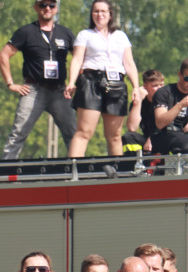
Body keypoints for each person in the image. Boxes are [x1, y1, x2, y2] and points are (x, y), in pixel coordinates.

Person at [0, 0, 76, 159]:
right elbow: (3, 55)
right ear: (36, 8)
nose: (47, 8)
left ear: (56, 9)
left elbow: (80, 59)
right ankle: (5, 172)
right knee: (18, 133)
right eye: (43, 5)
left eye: (51, 5)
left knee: (73, 134)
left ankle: (79, 171)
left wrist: (75, 83)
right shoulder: (26, 31)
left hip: (60, 91)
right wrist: (11, 84)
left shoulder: (65, 33)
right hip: (33, 90)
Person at [64, 0, 139, 157]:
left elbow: (129, 63)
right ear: (92, 14)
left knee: (114, 135)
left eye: (103, 11)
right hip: (91, 81)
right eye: (96, 11)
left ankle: (117, 172)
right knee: (84, 131)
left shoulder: (120, 36)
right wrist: (71, 82)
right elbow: (77, 59)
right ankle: (72, 171)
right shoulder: (85, 35)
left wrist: (136, 87)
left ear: (110, 14)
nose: (100, 15)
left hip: (116, 83)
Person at [121, 69, 164, 153]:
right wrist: (139, 101)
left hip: (165, 138)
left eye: (161, 85)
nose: (160, 89)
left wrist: (152, 138)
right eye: (155, 86)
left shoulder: (168, 101)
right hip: (147, 141)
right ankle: (134, 163)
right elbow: (132, 127)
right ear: (145, 87)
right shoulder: (142, 103)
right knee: (128, 137)